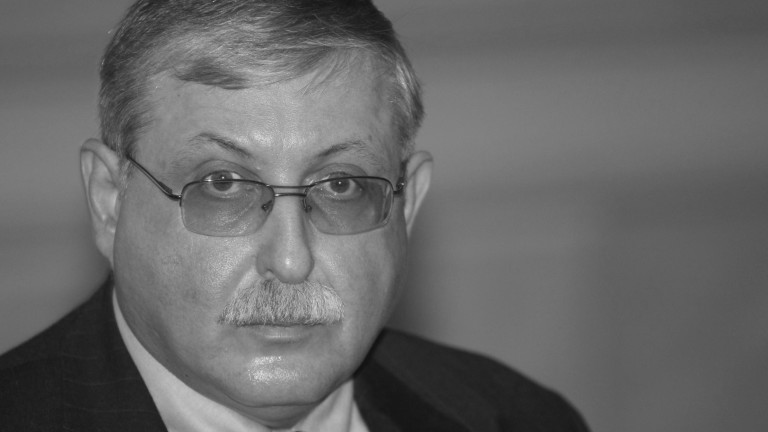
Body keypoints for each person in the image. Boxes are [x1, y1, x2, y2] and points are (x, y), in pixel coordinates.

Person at [0, 1, 590, 430]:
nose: (290, 259)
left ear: (406, 206)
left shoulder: (518, 418)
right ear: (110, 200)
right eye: (223, 184)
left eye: (340, 185)